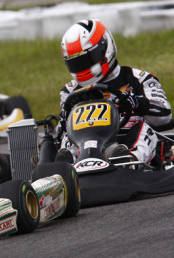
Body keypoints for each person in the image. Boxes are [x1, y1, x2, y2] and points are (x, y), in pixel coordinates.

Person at [57, 19, 172, 164]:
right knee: (67, 135)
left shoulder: (138, 79)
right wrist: (62, 123)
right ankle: (67, 167)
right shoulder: (70, 92)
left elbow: (165, 117)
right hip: (86, 150)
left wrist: (137, 104)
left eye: (87, 59)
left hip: (129, 143)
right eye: (76, 62)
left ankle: (128, 161)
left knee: (144, 128)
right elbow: (58, 134)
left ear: (105, 48)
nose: (82, 66)